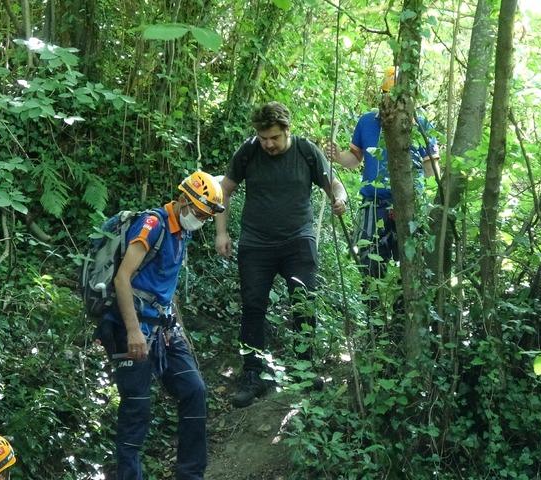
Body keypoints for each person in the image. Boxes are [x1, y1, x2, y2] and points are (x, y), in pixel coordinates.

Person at [214, 101, 347, 408]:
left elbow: (335, 185)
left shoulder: (305, 151)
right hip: (256, 243)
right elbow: (224, 190)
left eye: (274, 137)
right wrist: (221, 232)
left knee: (303, 304)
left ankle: (304, 370)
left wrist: (339, 199)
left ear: (287, 130)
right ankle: (253, 376)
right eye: (264, 138)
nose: (269, 144)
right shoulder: (248, 151)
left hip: (297, 241)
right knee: (252, 308)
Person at [98, 171, 224, 480]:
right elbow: (122, 278)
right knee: (135, 410)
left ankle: (190, 475)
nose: (201, 219)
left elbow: (165, 288)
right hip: (132, 329)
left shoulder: (183, 230)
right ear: (183, 200)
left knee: (194, 390)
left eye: (206, 216)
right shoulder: (153, 225)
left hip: (164, 329)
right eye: (198, 212)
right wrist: (132, 332)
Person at [325, 66, 440, 279]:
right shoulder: (367, 121)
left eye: (398, 97)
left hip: (409, 205)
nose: (391, 102)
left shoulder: (421, 124)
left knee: (409, 267)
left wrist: (415, 195)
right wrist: (338, 156)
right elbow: (355, 159)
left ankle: (401, 311)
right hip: (373, 203)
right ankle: (372, 309)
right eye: (387, 95)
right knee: (369, 264)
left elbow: (432, 171)